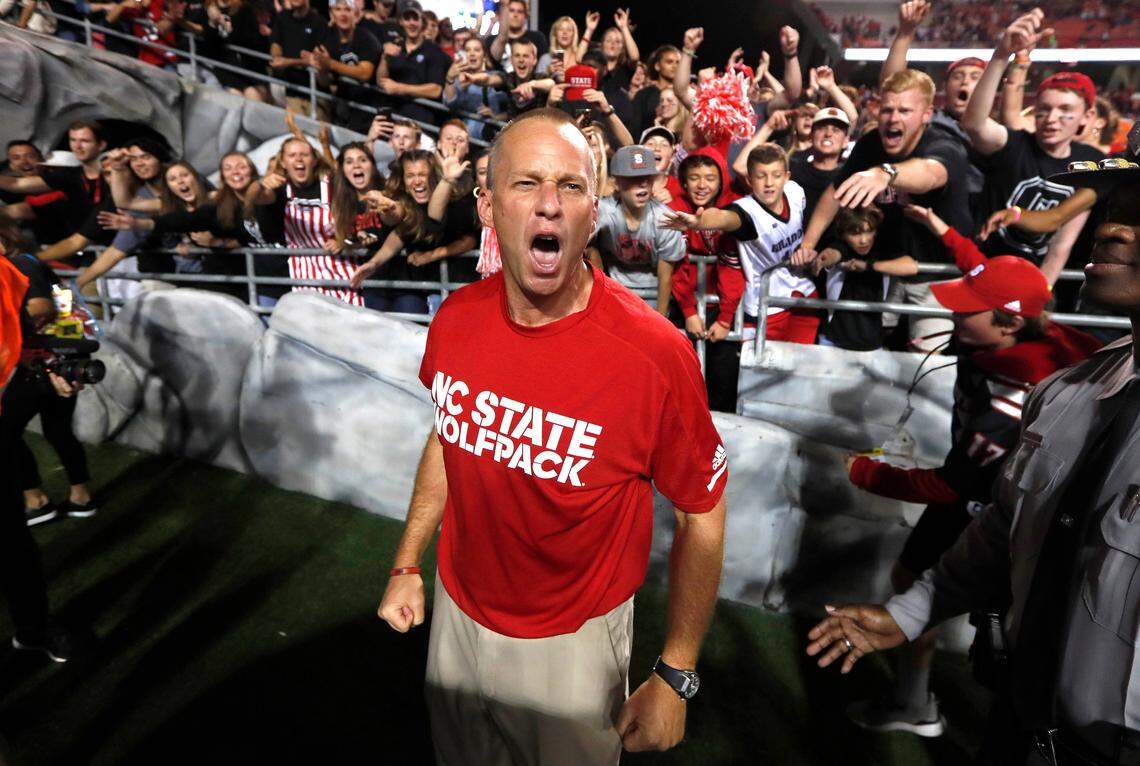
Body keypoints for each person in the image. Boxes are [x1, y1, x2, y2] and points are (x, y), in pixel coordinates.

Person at [377, 107, 727, 765]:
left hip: (574, 643)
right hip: (456, 614)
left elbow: (701, 514)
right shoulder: (454, 321)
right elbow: (449, 438)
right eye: (525, 183)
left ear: (592, 212)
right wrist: (407, 563)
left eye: (570, 186)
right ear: (486, 204)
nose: (548, 206)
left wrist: (677, 672)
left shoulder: (655, 354)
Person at [805, 154, 1140, 765]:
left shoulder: (1019, 388)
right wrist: (937, 228)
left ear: (1008, 323)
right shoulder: (1068, 381)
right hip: (1031, 715)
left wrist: (861, 472)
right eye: (1114, 208)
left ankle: (914, 702)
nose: (1112, 228)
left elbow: (956, 485)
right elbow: (1007, 519)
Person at [794, 69, 971, 352]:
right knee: (876, 349)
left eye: (905, 110)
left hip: (935, 277)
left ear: (927, 114)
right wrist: (808, 244)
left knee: (926, 359)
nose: (893, 118)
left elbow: (931, 173)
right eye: (887, 109)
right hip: (887, 270)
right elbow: (835, 193)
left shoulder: (944, 144)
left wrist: (885, 172)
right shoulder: (872, 143)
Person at [962, 10, 1104, 284]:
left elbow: (1062, 242)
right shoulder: (1014, 144)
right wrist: (1002, 54)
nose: (1051, 119)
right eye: (1043, 110)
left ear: (1086, 117)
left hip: (1031, 279)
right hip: (984, 273)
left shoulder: (1091, 163)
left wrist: (1038, 294)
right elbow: (975, 124)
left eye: (1065, 110)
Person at [0, 218, 78, 664]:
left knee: (12, 543)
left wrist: (48, 367)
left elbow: (25, 334)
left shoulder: (10, 271)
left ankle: (33, 629)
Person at [664, 143, 820, 344]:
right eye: (761, 176)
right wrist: (700, 222)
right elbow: (724, 217)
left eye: (776, 175)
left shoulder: (795, 192)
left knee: (803, 370)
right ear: (749, 179)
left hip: (803, 295)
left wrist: (809, 246)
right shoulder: (746, 211)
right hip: (765, 309)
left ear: (787, 177)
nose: (769, 183)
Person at [880, 0, 987, 209]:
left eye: (975, 76)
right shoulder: (931, 118)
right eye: (958, 76)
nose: (965, 81)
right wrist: (905, 31)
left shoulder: (996, 131)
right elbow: (892, 85)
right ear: (945, 86)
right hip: (926, 208)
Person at [667, 147, 746, 412]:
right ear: (684, 181)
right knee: (681, 376)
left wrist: (725, 317)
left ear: (721, 180)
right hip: (686, 305)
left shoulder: (733, 209)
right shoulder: (675, 208)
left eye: (710, 177)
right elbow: (676, 263)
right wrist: (689, 311)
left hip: (726, 308)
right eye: (695, 177)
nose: (702, 185)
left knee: (722, 379)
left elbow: (732, 264)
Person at [249, 136, 364, 306]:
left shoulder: (334, 184)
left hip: (342, 270)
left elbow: (359, 221)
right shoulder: (280, 189)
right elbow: (254, 198)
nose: (298, 159)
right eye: (292, 155)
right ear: (283, 162)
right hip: (304, 274)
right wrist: (260, 185)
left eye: (304, 154)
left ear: (315, 160)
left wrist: (344, 240)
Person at [586, 144, 686, 318]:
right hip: (613, 289)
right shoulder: (603, 211)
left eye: (647, 177)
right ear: (616, 182)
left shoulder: (664, 218)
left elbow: (666, 277)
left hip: (653, 292)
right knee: (589, 247)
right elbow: (576, 244)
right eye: (633, 178)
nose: (642, 184)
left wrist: (661, 320)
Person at [813, 206, 918, 351]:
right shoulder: (841, 246)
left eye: (869, 231)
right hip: (833, 343)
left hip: (873, 346)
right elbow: (834, 253)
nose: (863, 240)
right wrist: (824, 258)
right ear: (842, 234)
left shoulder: (881, 250)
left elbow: (911, 266)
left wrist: (868, 266)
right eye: (854, 233)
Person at [374, 0, 450, 126]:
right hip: (392, 118)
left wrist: (399, 88)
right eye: (407, 18)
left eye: (415, 18)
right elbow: (381, 81)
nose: (411, 23)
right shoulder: (394, 46)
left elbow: (436, 90)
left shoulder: (434, 51)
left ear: (422, 22)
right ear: (401, 21)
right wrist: (384, 57)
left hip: (420, 122)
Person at [310, 0, 380, 134]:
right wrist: (321, 68)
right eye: (338, 9)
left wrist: (330, 63)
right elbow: (324, 82)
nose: (343, 14)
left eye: (347, 10)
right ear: (331, 13)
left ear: (356, 14)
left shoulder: (366, 38)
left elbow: (365, 73)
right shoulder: (327, 39)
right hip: (342, 107)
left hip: (367, 108)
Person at [268, 0, 328, 119]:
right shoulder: (282, 17)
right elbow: (275, 47)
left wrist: (287, 62)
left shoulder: (320, 23)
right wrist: (278, 57)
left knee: (317, 129)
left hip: (312, 89)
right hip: (287, 87)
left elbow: (316, 60)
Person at [789, 107, 850, 220]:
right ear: (811, 136)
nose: (828, 134)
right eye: (821, 128)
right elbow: (744, 168)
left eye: (836, 130)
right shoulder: (792, 170)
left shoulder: (849, 177)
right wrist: (769, 127)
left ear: (846, 141)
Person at [442, 36, 508, 139]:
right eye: (467, 50)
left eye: (477, 50)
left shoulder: (495, 75)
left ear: (484, 55)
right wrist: (449, 77)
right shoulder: (456, 80)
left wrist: (494, 117)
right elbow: (449, 103)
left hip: (491, 136)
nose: (472, 53)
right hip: (465, 138)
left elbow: (510, 112)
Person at [484, 0, 547, 75]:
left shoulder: (537, 38)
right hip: (500, 85)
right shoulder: (491, 40)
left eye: (520, 11)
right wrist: (504, 5)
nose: (515, 14)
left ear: (526, 15)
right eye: (511, 10)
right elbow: (502, 39)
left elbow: (543, 67)